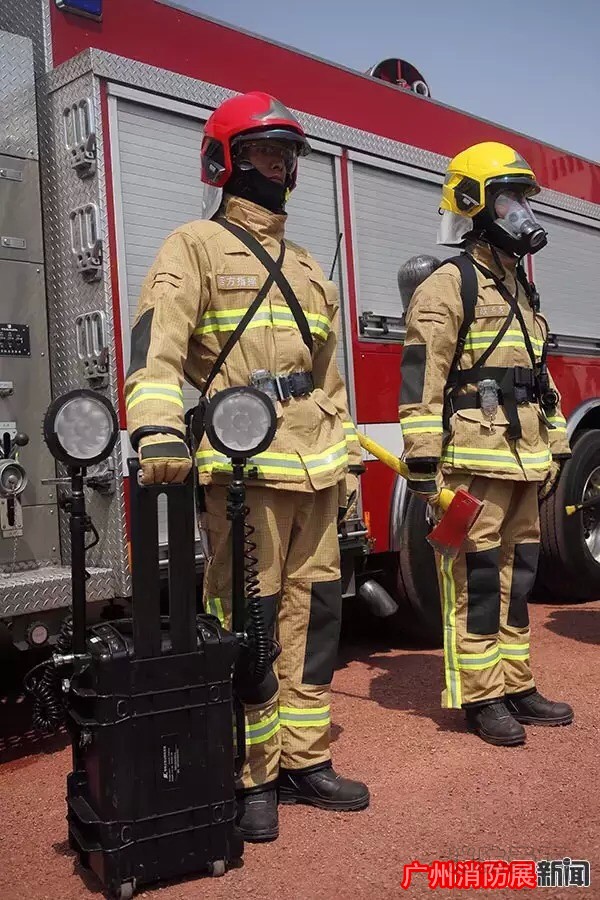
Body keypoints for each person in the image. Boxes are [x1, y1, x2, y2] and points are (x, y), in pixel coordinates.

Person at [124, 91, 368, 842]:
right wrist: (158, 429)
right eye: (265, 152)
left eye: (288, 155)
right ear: (225, 161)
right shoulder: (193, 245)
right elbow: (157, 347)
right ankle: (251, 772)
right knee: (247, 618)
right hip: (245, 468)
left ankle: (305, 757)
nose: (280, 167)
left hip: (316, 466)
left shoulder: (308, 266)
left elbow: (329, 378)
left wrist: (349, 458)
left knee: (316, 613)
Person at [398, 141, 574, 746]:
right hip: (471, 465)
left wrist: (556, 444)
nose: (521, 212)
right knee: (477, 580)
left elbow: (538, 376)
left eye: (523, 198)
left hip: (523, 461)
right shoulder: (449, 285)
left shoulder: (521, 288)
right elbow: (422, 377)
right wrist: (423, 459)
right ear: (474, 205)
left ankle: (516, 683)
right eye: (508, 199)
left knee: (519, 577)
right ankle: (480, 696)